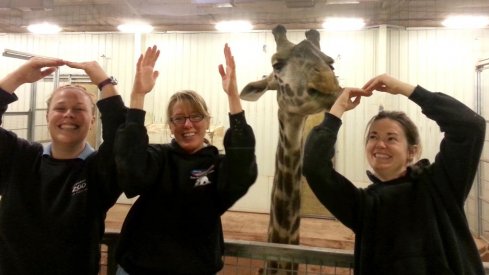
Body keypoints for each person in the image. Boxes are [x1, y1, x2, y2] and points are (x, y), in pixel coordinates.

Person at [302, 74, 486, 275]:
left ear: (412, 151)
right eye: (373, 137)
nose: (380, 144)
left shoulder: (440, 185)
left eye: (391, 138)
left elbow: (469, 126)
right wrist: (336, 111)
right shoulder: (364, 205)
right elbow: (314, 167)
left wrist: (406, 89)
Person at [0, 46, 157, 275]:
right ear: (47, 116)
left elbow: (122, 138)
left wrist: (105, 83)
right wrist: (18, 77)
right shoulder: (19, 157)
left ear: (93, 120)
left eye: (79, 109)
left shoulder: (98, 170)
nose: (68, 114)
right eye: (60, 108)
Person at [114, 43, 258, 275]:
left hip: (196, 267)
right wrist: (137, 95)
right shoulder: (158, 158)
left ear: (207, 122)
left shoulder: (217, 167)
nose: (188, 124)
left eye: (196, 116)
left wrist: (233, 96)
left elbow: (242, 166)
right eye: (179, 118)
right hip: (140, 267)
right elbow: (131, 173)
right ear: (170, 126)